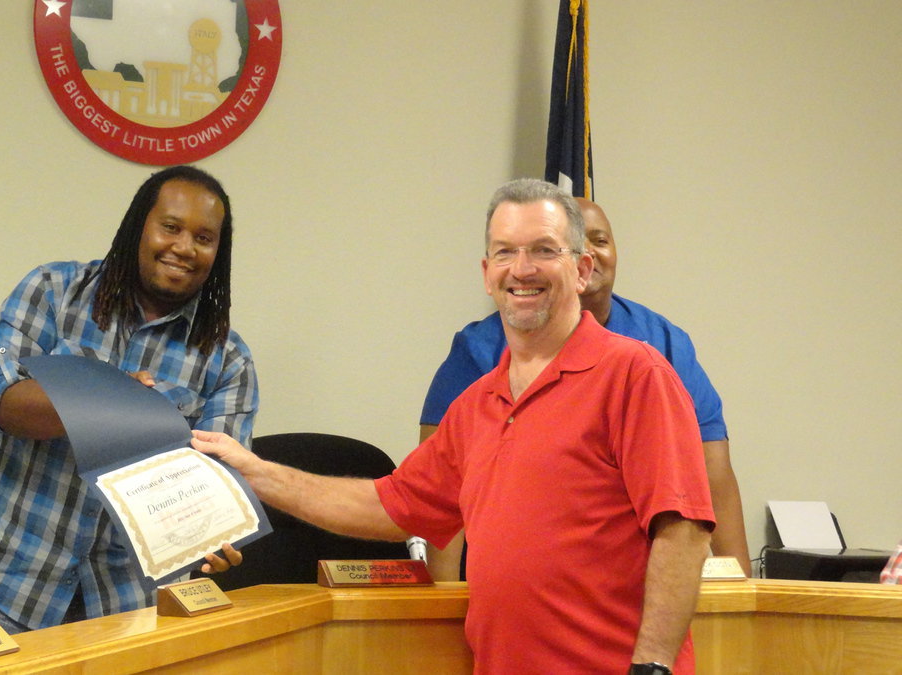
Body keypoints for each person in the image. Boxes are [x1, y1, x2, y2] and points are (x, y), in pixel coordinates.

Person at [192, 179, 714, 674]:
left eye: (544, 250)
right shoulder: (475, 406)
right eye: (505, 252)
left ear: (581, 269)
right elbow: (387, 507)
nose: (521, 268)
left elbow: (682, 531)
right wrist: (254, 473)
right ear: (487, 273)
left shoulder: (635, 374)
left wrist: (652, 666)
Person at [0, 165, 258, 633]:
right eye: (171, 227)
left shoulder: (228, 358)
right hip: (9, 588)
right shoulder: (53, 292)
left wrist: (215, 535)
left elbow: (221, 476)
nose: (184, 247)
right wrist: (110, 399)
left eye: (204, 237)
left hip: (132, 607)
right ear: (138, 226)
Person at [419, 197, 751, 579]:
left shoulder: (664, 344)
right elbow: (439, 491)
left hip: (636, 578)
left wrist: (742, 592)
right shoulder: (480, 350)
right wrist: (443, 600)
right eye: (572, 243)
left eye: (601, 240)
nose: (590, 251)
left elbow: (713, 472)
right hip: (514, 579)